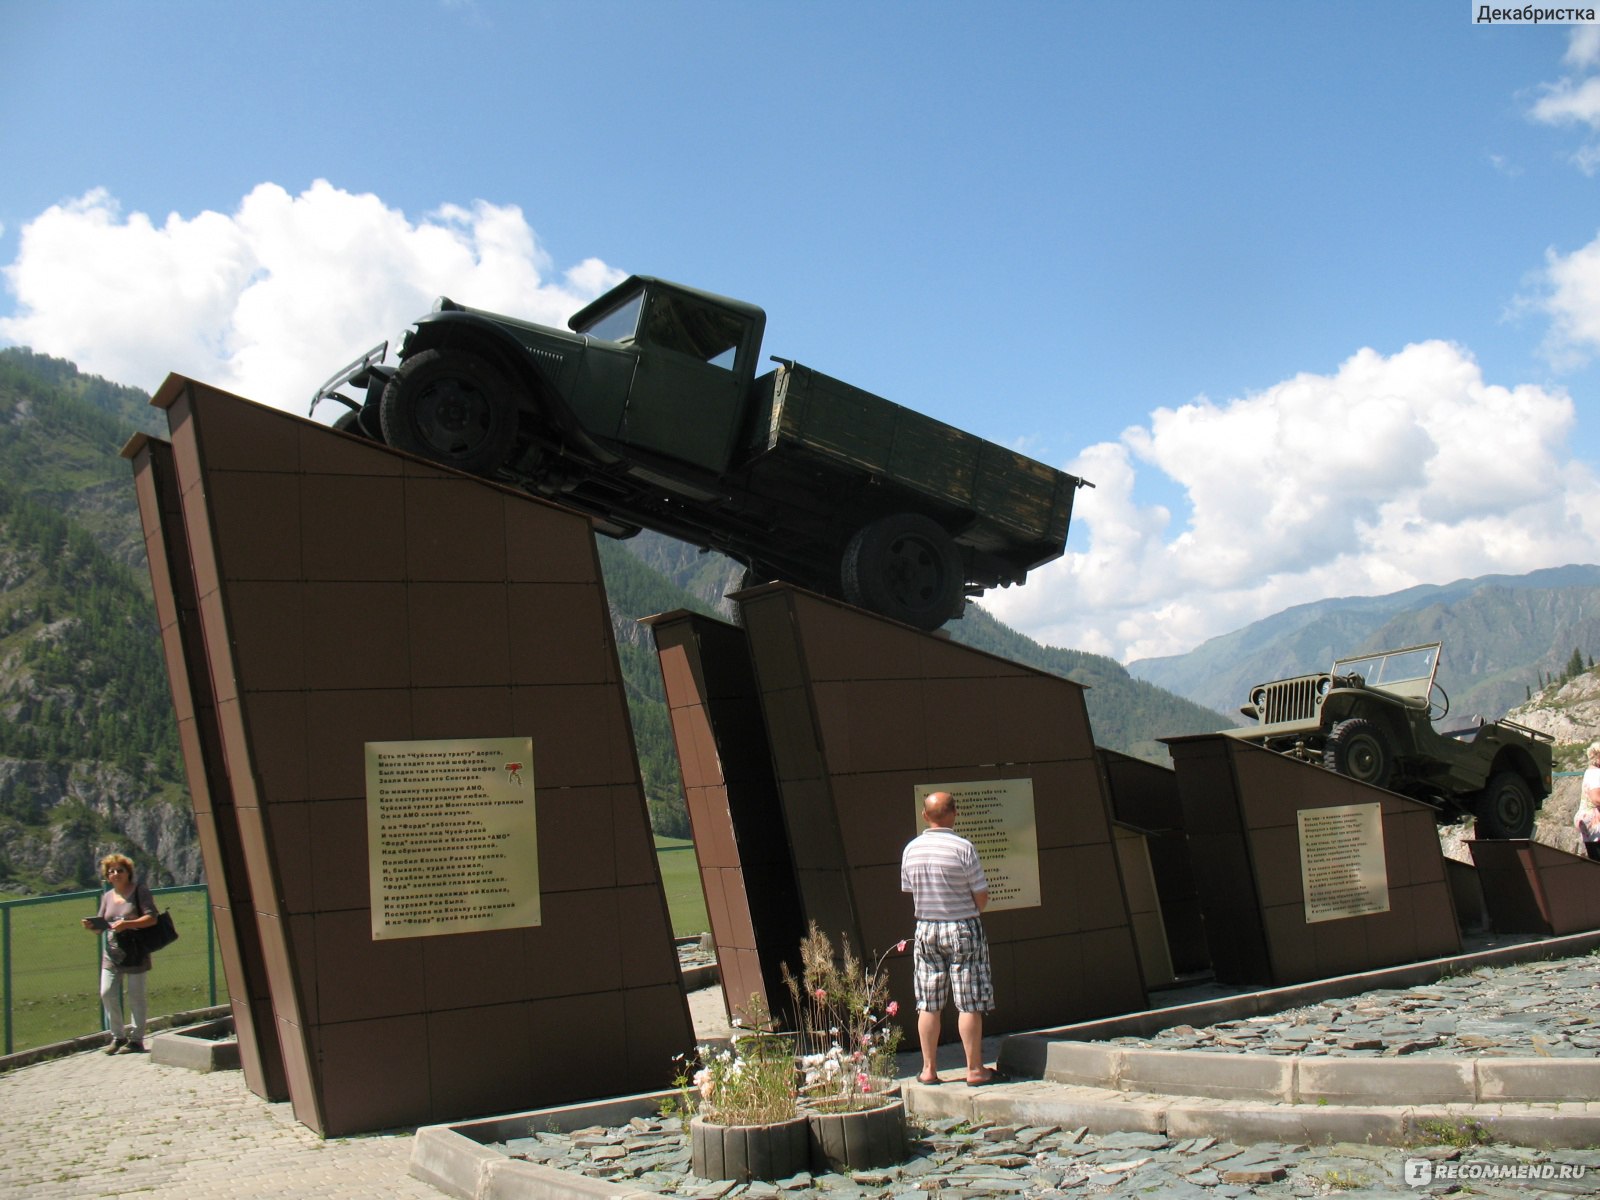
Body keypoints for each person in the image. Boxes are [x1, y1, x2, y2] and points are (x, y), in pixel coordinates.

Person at [900, 790, 996, 1086]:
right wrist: (971, 909)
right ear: (954, 813)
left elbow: (909, 890)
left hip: (927, 927)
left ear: (925, 816)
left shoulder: (911, 849)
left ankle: (929, 1069)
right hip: (962, 926)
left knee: (928, 1002)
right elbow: (981, 895)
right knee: (968, 1001)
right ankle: (975, 1069)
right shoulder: (963, 847)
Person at [81, 853, 159, 1054]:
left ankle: (136, 1039)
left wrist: (128, 924)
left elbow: (152, 918)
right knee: (107, 993)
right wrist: (92, 926)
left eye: (120, 870)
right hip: (112, 953)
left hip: (135, 951)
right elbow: (102, 925)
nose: (115, 874)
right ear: (107, 876)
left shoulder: (139, 891)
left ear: (128, 873)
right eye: (111, 871)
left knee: (136, 996)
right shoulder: (107, 896)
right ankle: (118, 1036)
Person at [1576, 742, 1600, 861]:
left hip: (1587, 821)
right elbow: (1596, 798)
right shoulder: (1597, 774)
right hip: (1596, 823)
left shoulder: (1589, 772)